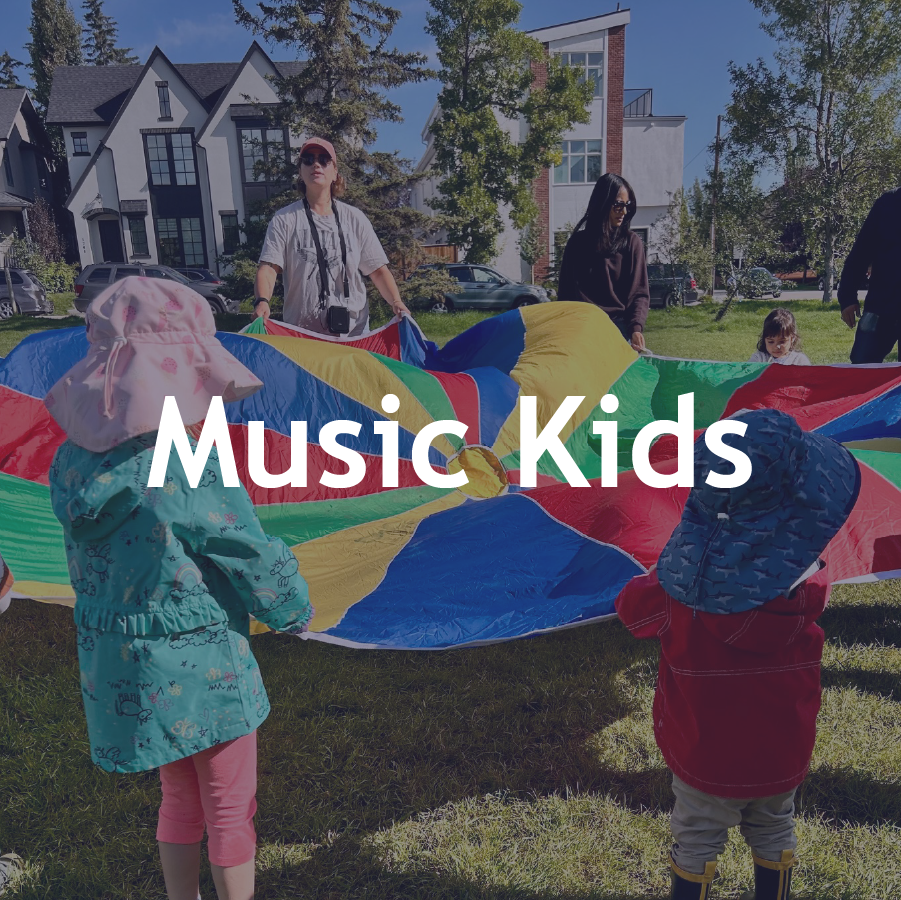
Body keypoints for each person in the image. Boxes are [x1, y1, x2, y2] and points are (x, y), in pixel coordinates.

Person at [44, 277, 314, 900]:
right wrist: (291, 606)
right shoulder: (183, 459)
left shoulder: (72, 463)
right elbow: (242, 544)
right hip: (204, 665)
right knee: (228, 808)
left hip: (129, 663)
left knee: (178, 796)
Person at [615, 409, 860, 900]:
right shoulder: (810, 586)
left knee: (697, 837)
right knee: (775, 827)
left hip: (705, 754)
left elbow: (630, 611)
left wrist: (673, 567)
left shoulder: (675, 590)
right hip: (782, 754)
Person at [253, 137, 410, 336]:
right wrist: (262, 301)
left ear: (335, 172)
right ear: (301, 171)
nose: (316, 164)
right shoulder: (284, 219)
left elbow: (378, 271)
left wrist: (396, 302)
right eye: (308, 160)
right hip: (303, 337)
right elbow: (268, 269)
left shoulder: (355, 218)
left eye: (324, 160)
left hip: (354, 335)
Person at [557, 173, 650, 352]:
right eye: (618, 205)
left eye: (627, 206)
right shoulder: (577, 243)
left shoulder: (632, 243)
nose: (624, 212)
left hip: (619, 331)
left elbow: (639, 293)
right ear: (603, 203)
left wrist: (636, 328)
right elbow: (566, 293)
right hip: (582, 330)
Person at [839, 186, 901, 363]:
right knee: (861, 369)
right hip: (881, 305)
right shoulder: (888, 203)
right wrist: (847, 298)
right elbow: (861, 252)